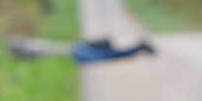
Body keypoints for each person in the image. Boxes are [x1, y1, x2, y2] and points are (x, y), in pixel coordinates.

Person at [8, 34, 156, 63]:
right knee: (110, 55)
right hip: (74, 49)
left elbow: (21, 50)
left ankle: (138, 47)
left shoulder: (30, 49)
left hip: (74, 53)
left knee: (109, 56)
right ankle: (138, 47)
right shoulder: (34, 42)